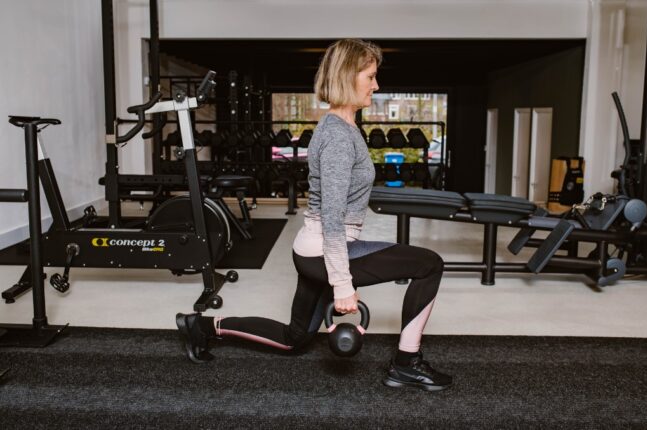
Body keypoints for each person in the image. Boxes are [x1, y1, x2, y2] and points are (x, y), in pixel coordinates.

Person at [176, 38, 452, 392]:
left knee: (295, 338)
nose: (376, 85)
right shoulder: (338, 136)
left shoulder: (344, 127)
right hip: (325, 249)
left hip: (312, 249)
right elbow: (334, 219)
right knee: (428, 263)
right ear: (347, 78)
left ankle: (201, 327)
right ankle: (406, 364)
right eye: (370, 77)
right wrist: (343, 285)